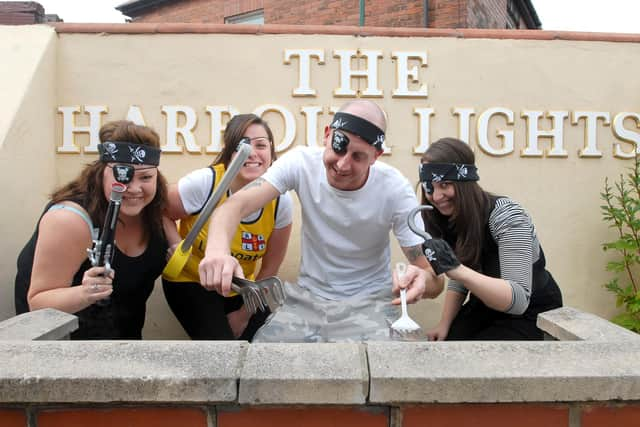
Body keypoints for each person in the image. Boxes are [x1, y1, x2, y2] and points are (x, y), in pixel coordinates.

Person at [199, 100, 443, 343]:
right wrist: (217, 252)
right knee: (264, 362)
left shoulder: (394, 189)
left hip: (371, 304)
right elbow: (233, 207)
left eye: (358, 156)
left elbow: (434, 277)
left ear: (376, 156)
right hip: (308, 301)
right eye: (339, 147)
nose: (342, 164)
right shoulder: (302, 163)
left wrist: (424, 280)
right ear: (327, 135)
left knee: (400, 364)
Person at [14, 120, 169, 339]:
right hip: (63, 348)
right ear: (101, 171)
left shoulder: (156, 207)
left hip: (124, 342)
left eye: (145, 177)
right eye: (122, 175)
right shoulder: (68, 220)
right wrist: (85, 292)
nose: (134, 188)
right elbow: (38, 303)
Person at [162, 114, 293, 341]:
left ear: (272, 152)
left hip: (240, 288)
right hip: (191, 282)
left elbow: (269, 269)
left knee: (267, 343)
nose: (252, 153)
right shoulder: (205, 183)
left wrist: (244, 315)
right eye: (242, 145)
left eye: (261, 145)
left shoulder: (281, 201)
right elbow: (159, 209)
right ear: (230, 151)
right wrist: (175, 242)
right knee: (221, 347)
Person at [418, 137, 563, 341]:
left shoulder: (507, 215)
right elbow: (462, 276)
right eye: (430, 187)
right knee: (448, 346)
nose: (437, 196)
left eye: (445, 184)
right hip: (485, 305)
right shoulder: (447, 216)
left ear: (465, 183)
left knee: (477, 363)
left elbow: (518, 300)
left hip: (530, 311)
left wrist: (456, 269)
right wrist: (444, 325)